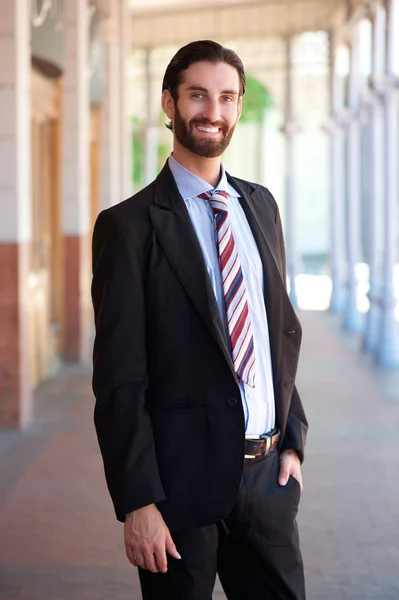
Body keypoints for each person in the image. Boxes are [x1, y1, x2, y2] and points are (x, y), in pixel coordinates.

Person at [91, 39, 308, 600]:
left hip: (268, 481)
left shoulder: (261, 206)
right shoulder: (130, 226)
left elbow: (274, 330)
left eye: (227, 98)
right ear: (169, 103)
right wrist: (137, 501)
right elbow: (119, 378)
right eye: (197, 95)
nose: (213, 111)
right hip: (178, 489)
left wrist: (293, 442)